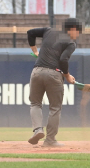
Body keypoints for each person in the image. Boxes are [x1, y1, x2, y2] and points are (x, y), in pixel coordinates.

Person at [26, 18, 82, 147]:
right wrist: (67, 76)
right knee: (55, 108)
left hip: (37, 72)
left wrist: (35, 51)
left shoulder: (48, 31)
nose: (78, 35)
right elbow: (63, 60)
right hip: (54, 74)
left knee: (35, 103)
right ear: (72, 29)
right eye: (78, 31)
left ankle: (38, 130)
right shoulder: (70, 43)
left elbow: (30, 33)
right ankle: (50, 140)